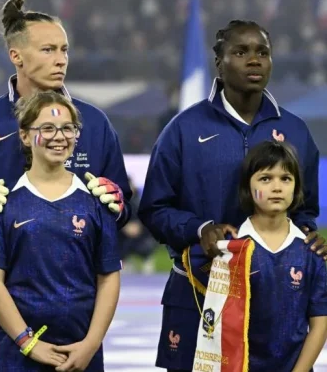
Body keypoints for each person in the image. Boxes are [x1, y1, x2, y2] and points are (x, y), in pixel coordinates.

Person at [0, 0, 131, 371]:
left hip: (78, 304)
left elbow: (123, 210)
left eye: (64, 50)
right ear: (16, 56)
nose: (61, 59)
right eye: (48, 49)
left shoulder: (94, 124)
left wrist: (120, 206)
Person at [138, 19, 326, 371]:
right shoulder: (183, 129)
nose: (254, 60)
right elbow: (154, 209)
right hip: (197, 293)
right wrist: (199, 229)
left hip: (275, 305)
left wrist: (310, 237)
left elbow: (305, 212)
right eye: (241, 52)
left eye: (262, 53)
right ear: (219, 64)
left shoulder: (296, 131)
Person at [0, 91, 121, 372]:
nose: (59, 137)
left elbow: (109, 278)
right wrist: (28, 343)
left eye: (68, 128)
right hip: (18, 357)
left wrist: (90, 345)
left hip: (82, 355)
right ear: (24, 135)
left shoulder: (97, 201)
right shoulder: (1, 202)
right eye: (47, 128)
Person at [185, 140, 327, 371]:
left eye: (286, 178)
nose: (277, 187)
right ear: (247, 188)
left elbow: (320, 324)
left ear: (296, 188)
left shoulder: (311, 252)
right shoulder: (228, 249)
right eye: (265, 179)